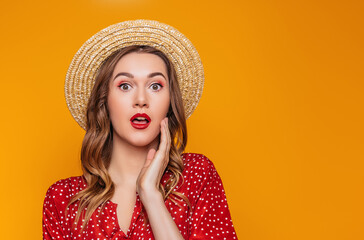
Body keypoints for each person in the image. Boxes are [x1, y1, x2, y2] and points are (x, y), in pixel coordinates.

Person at [43, 19, 238, 240]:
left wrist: (151, 195)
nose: (141, 100)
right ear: (104, 102)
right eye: (125, 86)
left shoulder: (197, 176)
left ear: (170, 102)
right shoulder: (63, 200)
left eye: (155, 86)